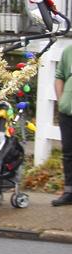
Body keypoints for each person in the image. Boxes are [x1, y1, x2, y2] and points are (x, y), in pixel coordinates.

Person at [53, 43, 72, 206]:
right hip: (67, 112)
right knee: (68, 153)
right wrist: (61, 102)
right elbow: (60, 77)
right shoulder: (68, 51)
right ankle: (69, 192)